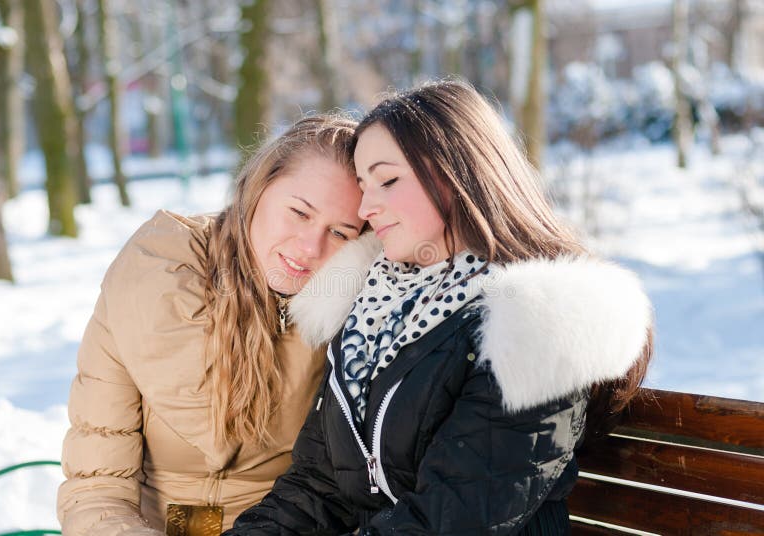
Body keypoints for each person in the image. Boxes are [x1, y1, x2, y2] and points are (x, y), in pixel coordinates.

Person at [226, 80, 654, 535]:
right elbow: (317, 487)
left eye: (387, 180)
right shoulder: (370, 307)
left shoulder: (534, 325)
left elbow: (451, 519)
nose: (367, 207)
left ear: (457, 173)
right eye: (363, 185)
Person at [56, 115, 382, 535]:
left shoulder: (354, 316)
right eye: (300, 212)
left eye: (340, 232)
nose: (309, 247)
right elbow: (98, 487)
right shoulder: (151, 280)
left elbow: (337, 487)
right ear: (260, 186)